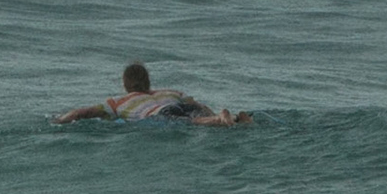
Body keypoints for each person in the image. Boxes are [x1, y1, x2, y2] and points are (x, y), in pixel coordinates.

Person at [53, 61, 250, 125]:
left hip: (160, 113)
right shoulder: (171, 91)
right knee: (195, 114)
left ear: (125, 85)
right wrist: (211, 112)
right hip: (178, 104)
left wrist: (59, 120)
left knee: (190, 123)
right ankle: (229, 118)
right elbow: (198, 105)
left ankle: (217, 120)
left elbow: (83, 113)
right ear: (148, 82)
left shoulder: (118, 102)